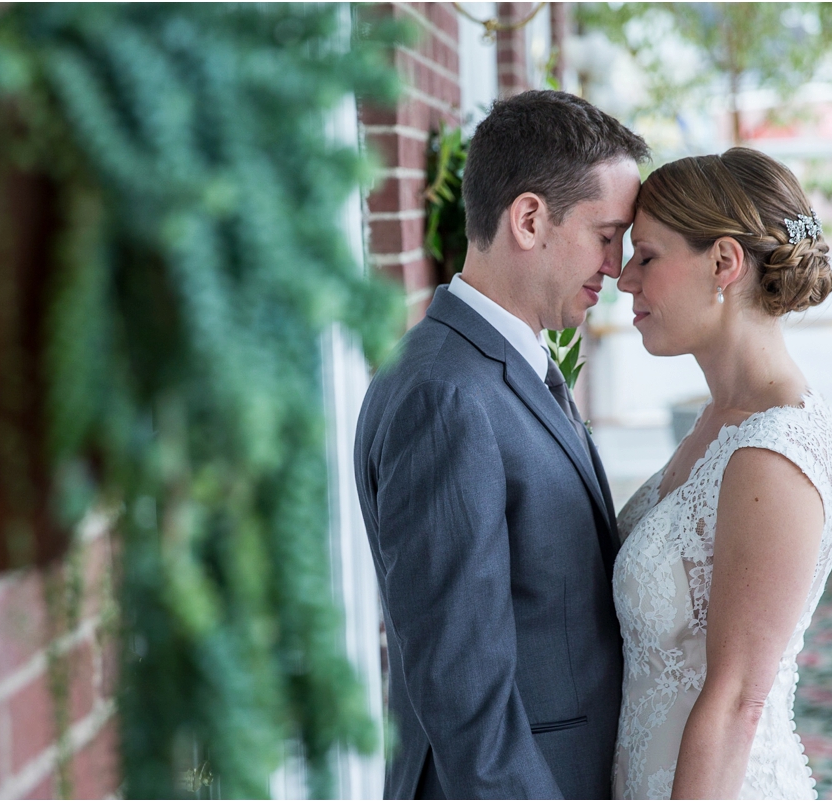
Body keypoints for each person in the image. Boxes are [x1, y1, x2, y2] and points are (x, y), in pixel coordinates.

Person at [354, 90, 649, 799]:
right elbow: (462, 686)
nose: (616, 266)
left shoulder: (501, 364)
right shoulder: (445, 396)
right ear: (528, 219)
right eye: (606, 235)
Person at [610, 147, 832, 800]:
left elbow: (739, 701)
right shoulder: (721, 417)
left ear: (723, 262)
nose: (624, 278)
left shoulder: (773, 455)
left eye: (647, 256)